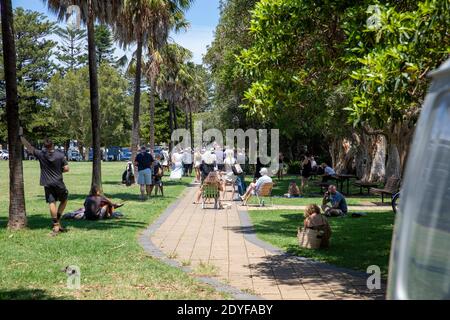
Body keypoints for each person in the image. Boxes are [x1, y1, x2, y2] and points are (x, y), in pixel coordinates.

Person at [20, 129, 70, 236]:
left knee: (52, 202)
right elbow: (66, 168)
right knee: (64, 200)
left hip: (47, 183)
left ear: (44, 146)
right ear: (52, 145)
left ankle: (56, 224)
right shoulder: (60, 155)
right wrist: (58, 170)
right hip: (58, 182)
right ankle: (57, 222)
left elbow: (29, 147)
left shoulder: (41, 154)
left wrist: (21, 137)